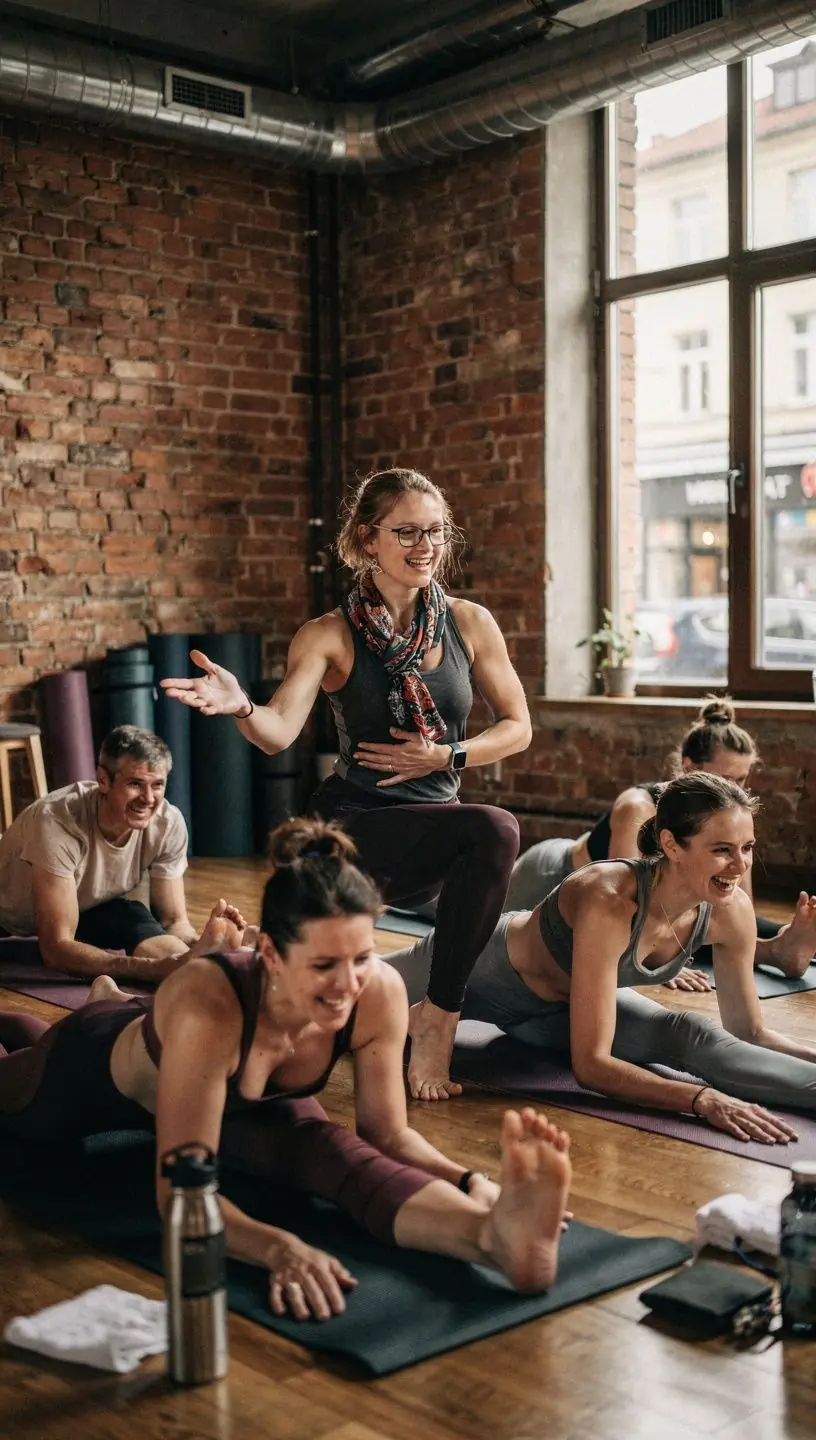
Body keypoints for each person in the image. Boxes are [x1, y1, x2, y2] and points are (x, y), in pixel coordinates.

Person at [0, 819, 572, 1319]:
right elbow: (178, 1194)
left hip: (241, 1097)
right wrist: (279, 1248)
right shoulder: (211, 1002)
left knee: (328, 1151)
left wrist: (476, 1185)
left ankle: (495, 1240)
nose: (348, 984)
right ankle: (94, 1003)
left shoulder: (376, 992)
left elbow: (388, 1135)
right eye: (324, 964)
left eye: (361, 957)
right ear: (269, 953)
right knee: (17, 1079)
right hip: (91, 1071)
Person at [160, 468, 531, 1101]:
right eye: (407, 532)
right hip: (348, 833)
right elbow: (279, 731)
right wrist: (243, 706)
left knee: (490, 831)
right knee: (277, 1001)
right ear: (368, 539)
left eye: (436, 531)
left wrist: (445, 755)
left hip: (428, 827)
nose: (426, 546)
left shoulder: (470, 624)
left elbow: (518, 727)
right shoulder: (329, 634)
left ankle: (437, 1021)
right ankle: (177, 986)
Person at [385, 774, 816, 1142]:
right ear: (671, 844)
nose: (739, 865)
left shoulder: (731, 910)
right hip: (473, 967)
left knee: (688, 1032)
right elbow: (591, 1066)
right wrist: (699, 1099)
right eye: (723, 849)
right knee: (348, 1002)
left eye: (748, 847)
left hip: (550, 1014)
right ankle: (421, 1000)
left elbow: (749, 1030)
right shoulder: (609, 897)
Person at [505, 699, 816, 990]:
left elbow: (736, 906)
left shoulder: (729, 821)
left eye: (743, 780)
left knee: (705, 918)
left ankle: (783, 947)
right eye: (726, 778)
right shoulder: (638, 807)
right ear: (690, 767)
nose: (735, 789)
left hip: (630, 905)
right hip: (549, 874)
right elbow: (630, 908)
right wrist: (665, 965)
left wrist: (766, 931)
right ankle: (776, 951)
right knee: (666, 932)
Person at [0, 725, 245, 982]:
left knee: (133, 917)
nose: (148, 798)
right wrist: (147, 969)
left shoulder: (167, 823)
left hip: (84, 906)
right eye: (135, 784)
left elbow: (173, 922)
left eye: (158, 785)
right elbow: (55, 949)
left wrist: (200, 941)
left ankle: (203, 966)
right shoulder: (57, 822)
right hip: (5, 913)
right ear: (103, 781)